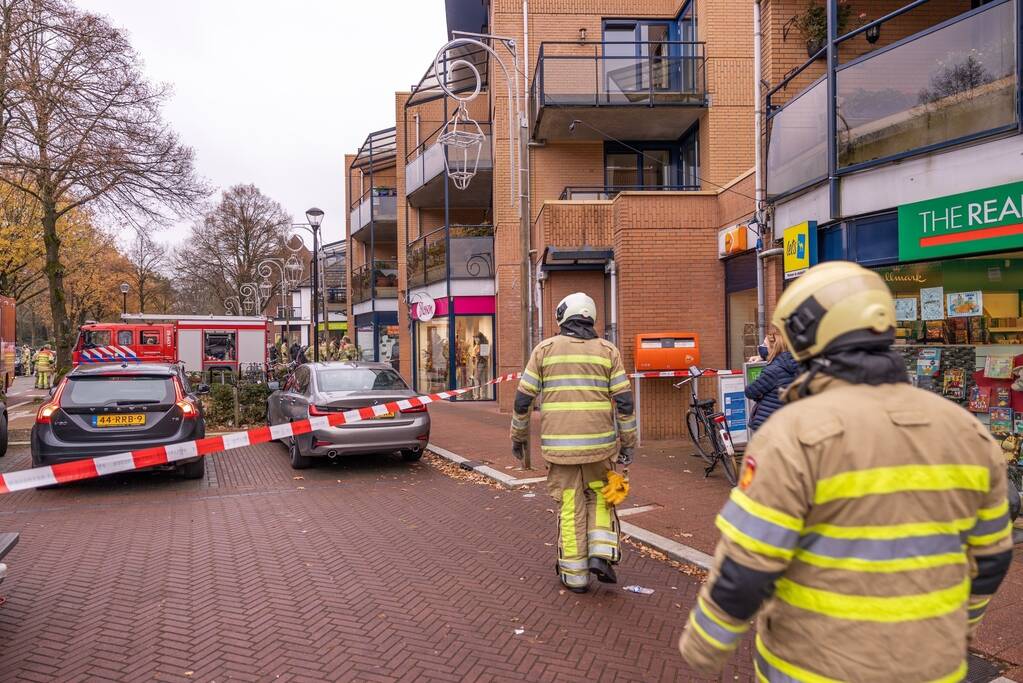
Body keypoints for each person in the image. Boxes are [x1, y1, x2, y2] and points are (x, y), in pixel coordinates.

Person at [678, 262, 1013, 682]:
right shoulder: (966, 430)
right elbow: (994, 556)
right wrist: (959, 627)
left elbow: (747, 567)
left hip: (813, 667)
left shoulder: (794, 434)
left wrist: (705, 644)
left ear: (805, 334)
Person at [510, 292, 636, 593]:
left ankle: (575, 576)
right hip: (600, 450)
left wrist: (518, 437)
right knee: (601, 497)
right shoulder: (608, 352)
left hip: (560, 450)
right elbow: (625, 403)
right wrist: (628, 442)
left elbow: (522, 400)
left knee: (570, 506)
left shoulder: (544, 350)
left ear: (562, 316)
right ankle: (602, 554)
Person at [744, 327, 799, 432]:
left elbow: (750, 392)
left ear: (773, 347)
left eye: (765, 345)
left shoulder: (772, 371)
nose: (762, 347)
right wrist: (762, 357)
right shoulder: (798, 364)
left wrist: (761, 395)